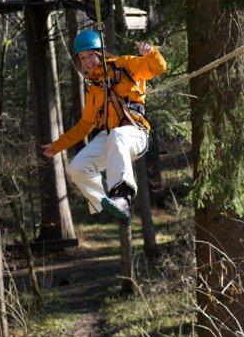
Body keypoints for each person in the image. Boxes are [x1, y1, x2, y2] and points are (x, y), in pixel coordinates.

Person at [43, 29, 167, 225]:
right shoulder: (93, 89)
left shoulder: (124, 65)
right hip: (110, 138)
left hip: (135, 133)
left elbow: (158, 68)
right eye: (82, 58)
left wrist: (150, 53)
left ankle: (122, 197)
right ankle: (106, 203)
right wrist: (57, 146)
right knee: (76, 167)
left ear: (100, 52)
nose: (87, 61)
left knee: (117, 135)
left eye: (90, 55)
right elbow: (84, 126)